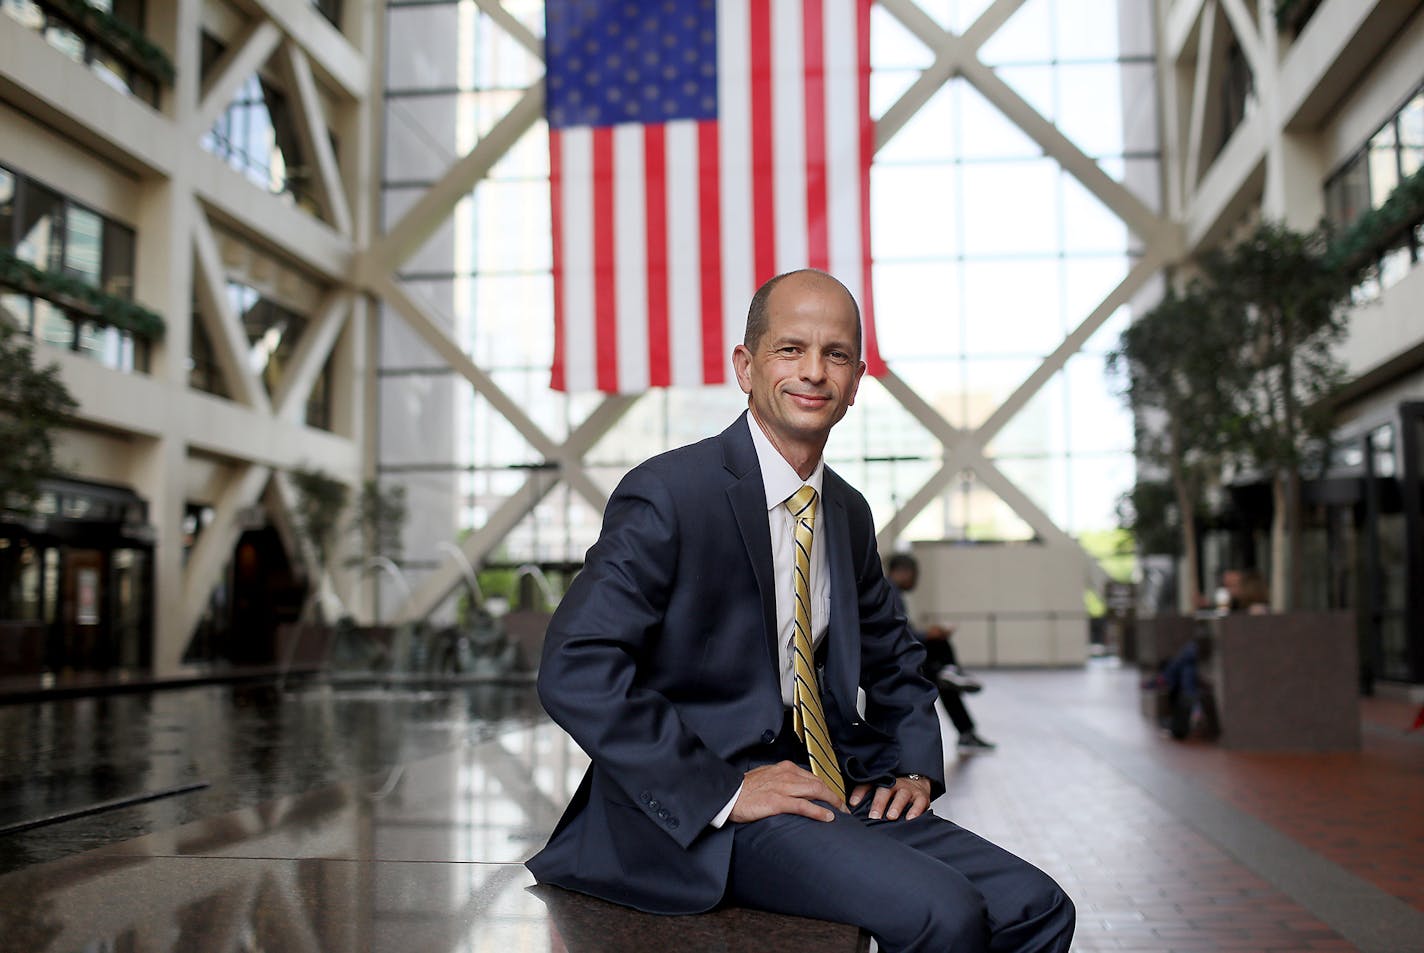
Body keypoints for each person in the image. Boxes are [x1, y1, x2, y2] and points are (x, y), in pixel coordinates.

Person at [528, 269, 1075, 953]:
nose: (814, 371)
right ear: (746, 366)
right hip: (709, 807)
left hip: (830, 780)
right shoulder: (669, 493)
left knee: (1038, 905)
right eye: (790, 349)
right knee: (944, 911)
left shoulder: (844, 510)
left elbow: (896, 655)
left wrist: (911, 763)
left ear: (855, 380)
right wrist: (725, 789)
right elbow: (575, 666)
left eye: (836, 354)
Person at [885, 553, 997, 753]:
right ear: (904, 572)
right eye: (915, 575)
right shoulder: (890, 591)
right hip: (895, 656)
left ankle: (950, 676)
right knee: (940, 646)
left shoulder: (891, 592)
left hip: (898, 652)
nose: (916, 580)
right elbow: (898, 631)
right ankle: (951, 672)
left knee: (944, 682)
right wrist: (927, 634)